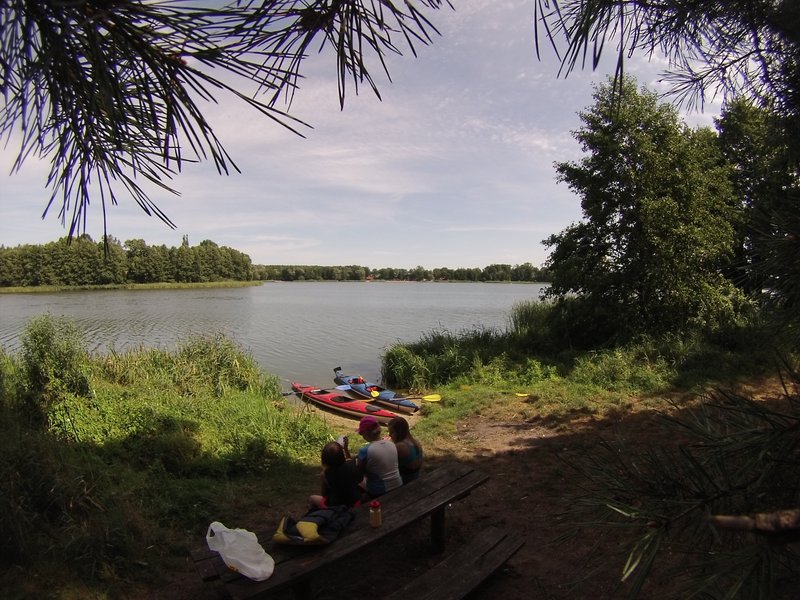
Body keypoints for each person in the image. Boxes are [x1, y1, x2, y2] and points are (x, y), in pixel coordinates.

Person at [352, 416, 402, 498]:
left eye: (361, 433)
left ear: (366, 434)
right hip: (398, 484)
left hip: (379, 491)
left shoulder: (364, 451)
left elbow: (359, 476)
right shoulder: (392, 444)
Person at [308, 440, 363, 509]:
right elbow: (349, 459)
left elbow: (324, 495)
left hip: (336, 507)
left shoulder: (325, 474)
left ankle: (315, 514)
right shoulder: (352, 464)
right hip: (355, 502)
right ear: (342, 455)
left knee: (312, 498)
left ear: (324, 459)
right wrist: (345, 448)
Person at [388, 416, 423, 484]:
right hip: (416, 478)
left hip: (406, 483)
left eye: (392, 432)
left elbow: (387, 464)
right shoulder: (415, 442)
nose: (389, 435)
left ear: (399, 432)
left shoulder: (400, 447)